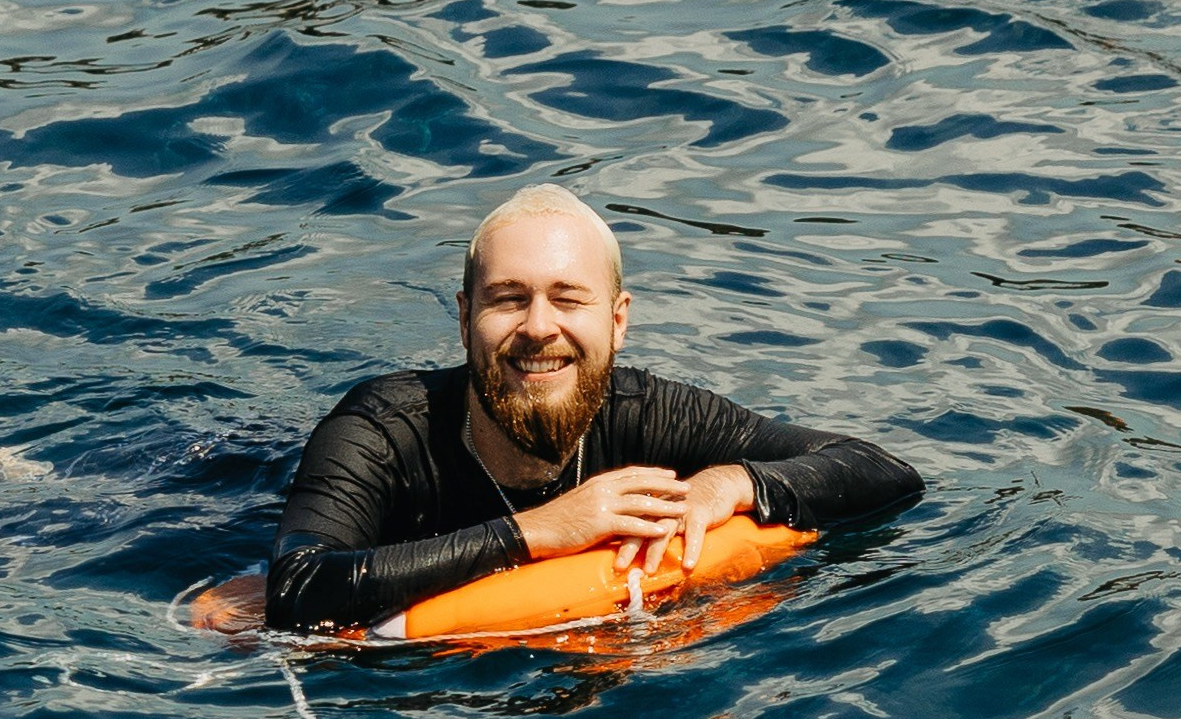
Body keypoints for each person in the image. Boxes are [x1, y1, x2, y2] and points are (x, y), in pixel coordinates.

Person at [206, 184, 922, 633]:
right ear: (464, 318)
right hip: (231, 487)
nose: (539, 327)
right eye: (508, 297)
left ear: (617, 320)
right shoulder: (382, 429)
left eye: (567, 298)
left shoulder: (652, 415)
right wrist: (539, 533)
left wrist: (731, 482)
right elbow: (298, 588)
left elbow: (882, 472)